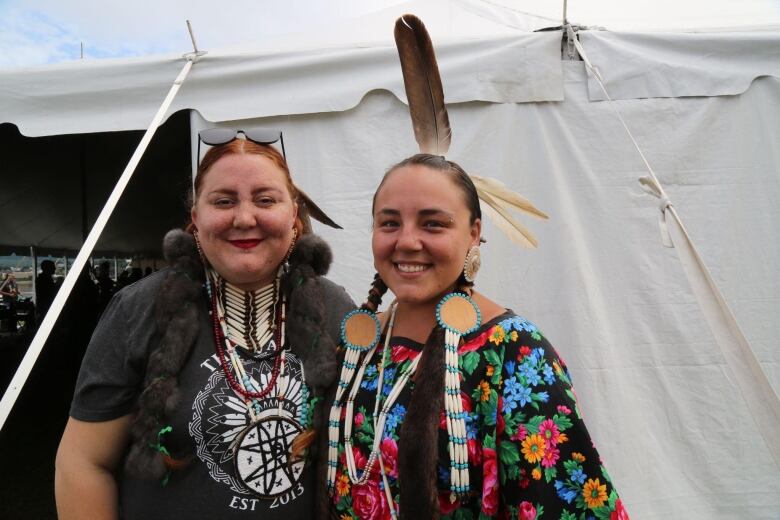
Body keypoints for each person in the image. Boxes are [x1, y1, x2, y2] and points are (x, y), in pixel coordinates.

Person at [55, 131, 355, 519]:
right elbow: (82, 463)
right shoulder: (138, 309)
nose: (244, 218)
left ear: (293, 216)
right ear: (196, 220)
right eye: (223, 201)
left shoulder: (336, 309)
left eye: (265, 200)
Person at [324, 154, 629, 519]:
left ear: (473, 234)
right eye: (389, 223)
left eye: (433, 224)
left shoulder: (513, 351)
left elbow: (561, 503)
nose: (406, 241)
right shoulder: (360, 348)